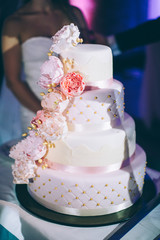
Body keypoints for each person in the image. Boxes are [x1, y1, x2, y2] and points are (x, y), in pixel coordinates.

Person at [0, 0, 106, 145]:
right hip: (37, 108)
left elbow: (87, 61)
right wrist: (48, 117)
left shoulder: (73, 13)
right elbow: (13, 81)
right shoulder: (15, 23)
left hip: (77, 107)